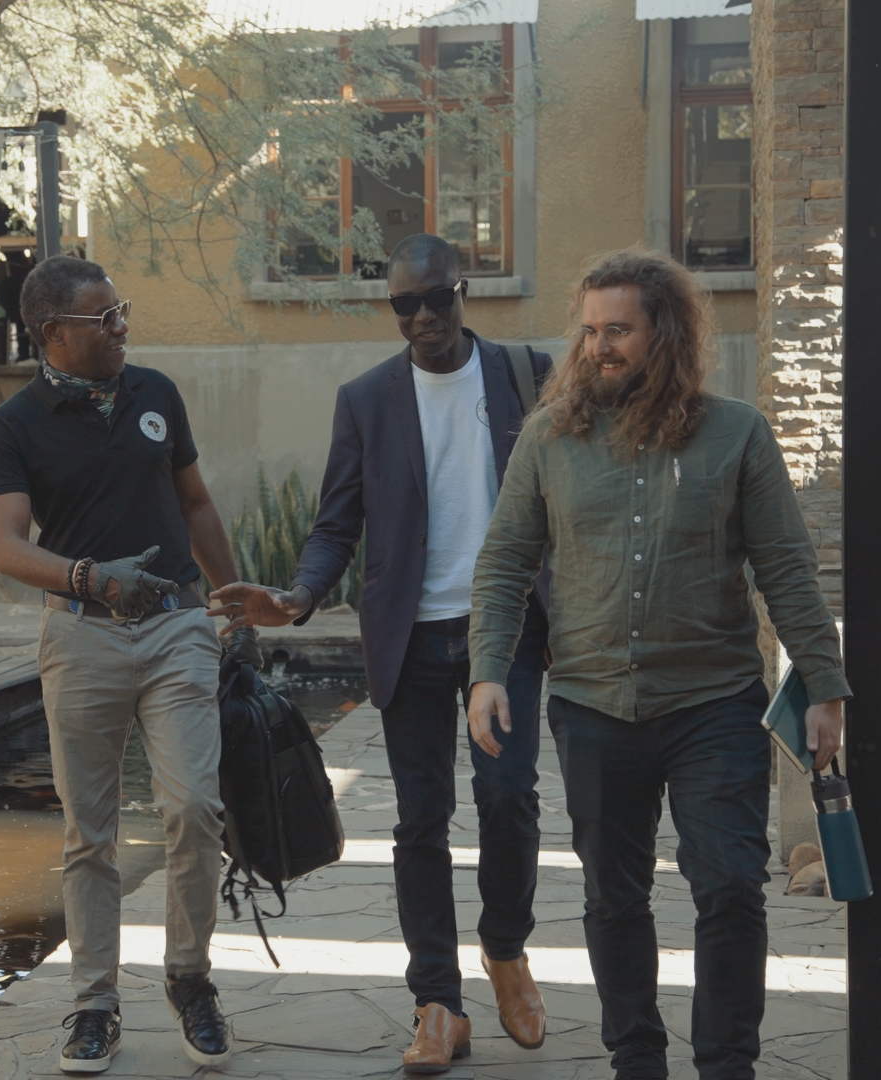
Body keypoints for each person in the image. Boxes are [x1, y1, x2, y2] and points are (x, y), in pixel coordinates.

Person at [466, 250, 849, 1080]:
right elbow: (503, 561)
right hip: (594, 705)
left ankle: (727, 1065)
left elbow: (786, 565)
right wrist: (488, 670)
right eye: (591, 330)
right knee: (613, 898)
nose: (600, 346)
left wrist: (824, 682)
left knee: (732, 891)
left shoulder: (737, 432)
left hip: (713, 704)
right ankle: (636, 1058)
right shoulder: (548, 436)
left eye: (620, 331)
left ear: (664, 333)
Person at [209, 233, 554, 1073]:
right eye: (407, 304)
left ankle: (505, 947)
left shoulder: (527, 375)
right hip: (408, 634)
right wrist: (297, 598)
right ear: (391, 307)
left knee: (509, 800)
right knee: (420, 821)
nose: (425, 317)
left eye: (439, 299)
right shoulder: (367, 399)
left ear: (464, 292)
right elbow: (337, 522)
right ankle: (437, 1001)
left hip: (502, 630)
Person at [0, 255, 239, 1074]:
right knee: (88, 834)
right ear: (56, 334)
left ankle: (190, 977)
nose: (123, 326)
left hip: (174, 628)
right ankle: (94, 1003)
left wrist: (231, 599)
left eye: (121, 310)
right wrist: (90, 578)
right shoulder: (15, 424)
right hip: (84, 636)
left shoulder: (155, 393)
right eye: (105, 318)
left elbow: (195, 501)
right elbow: (6, 548)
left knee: (194, 808)